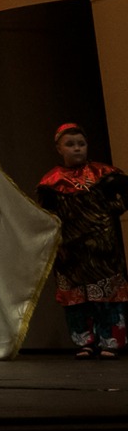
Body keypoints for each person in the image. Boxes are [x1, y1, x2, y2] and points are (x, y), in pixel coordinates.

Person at [36, 122, 128, 356]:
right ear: (59, 148)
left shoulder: (104, 174)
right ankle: (84, 341)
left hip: (102, 248)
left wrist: (113, 207)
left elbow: (124, 197)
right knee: (76, 299)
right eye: (70, 144)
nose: (77, 148)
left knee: (106, 294)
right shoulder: (51, 182)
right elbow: (45, 215)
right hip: (70, 251)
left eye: (81, 144)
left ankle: (111, 341)